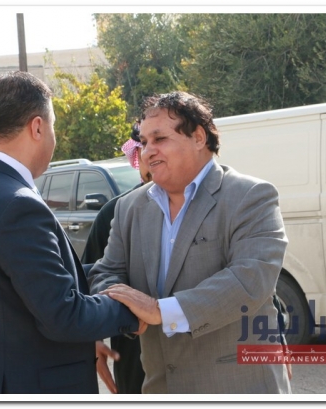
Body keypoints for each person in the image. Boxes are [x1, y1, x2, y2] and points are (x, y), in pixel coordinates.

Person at [0, 71, 142, 394]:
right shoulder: (16, 203)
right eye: (53, 126)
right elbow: (63, 314)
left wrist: (113, 276)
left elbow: (22, 288)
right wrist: (135, 309)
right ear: (37, 127)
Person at [88, 91, 291, 394]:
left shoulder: (250, 196)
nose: (148, 151)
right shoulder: (128, 208)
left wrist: (160, 310)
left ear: (198, 137)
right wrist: (123, 312)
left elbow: (251, 280)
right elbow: (106, 272)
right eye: (144, 142)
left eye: (160, 139)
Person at [81, 130, 152, 394]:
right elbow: (88, 283)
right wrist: (92, 340)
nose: (151, 155)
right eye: (144, 146)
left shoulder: (216, 207)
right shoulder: (114, 212)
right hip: (134, 362)